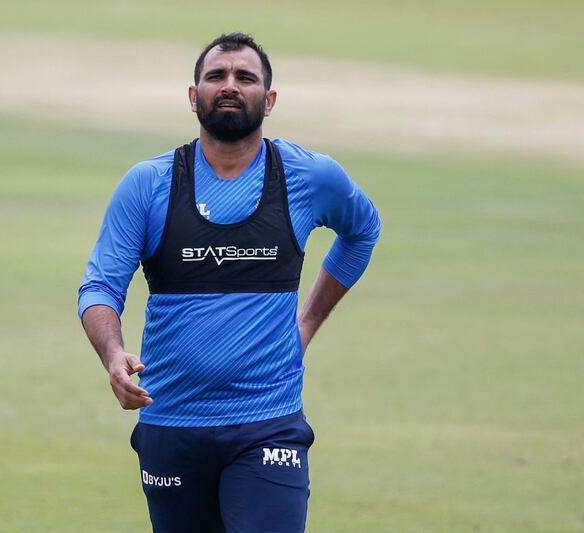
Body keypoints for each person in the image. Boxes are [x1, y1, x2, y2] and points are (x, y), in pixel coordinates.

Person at [78, 32, 381, 532]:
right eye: (216, 76)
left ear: (271, 99)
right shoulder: (149, 185)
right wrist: (113, 355)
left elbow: (363, 230)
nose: (230, 85)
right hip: (171, 422)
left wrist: (305, 324)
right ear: (192, 95)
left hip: (268, 422)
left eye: (246, 77)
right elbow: (99, 288)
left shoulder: (308, 178)